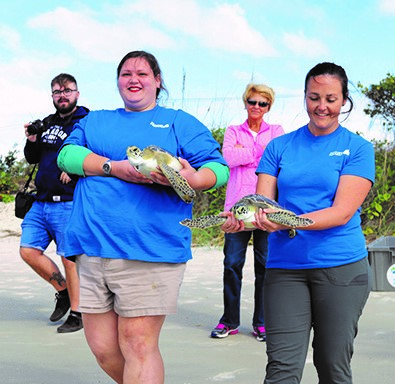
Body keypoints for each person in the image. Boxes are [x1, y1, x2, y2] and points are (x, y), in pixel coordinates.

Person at [57, 50, 229, 384]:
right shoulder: (95, 120)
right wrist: (115, 167)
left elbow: (217, 169)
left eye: (142, 73)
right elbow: (67, 156)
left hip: (150, 250)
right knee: (103, 348)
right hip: (92, 248)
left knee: (137, 343)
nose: (133, 80)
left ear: (157, 81)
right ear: (118, 80)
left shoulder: (178, 122)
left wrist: (192, 179)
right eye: (126, 74)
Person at [221, 62, 375, 383]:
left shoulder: (358, 149)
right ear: (304, 97)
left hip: (341, 268)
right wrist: (245, 219)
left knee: (332, 366)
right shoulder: (279, 146)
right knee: (281, 370)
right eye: (314, 97)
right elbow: (263, 204)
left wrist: (286, 220)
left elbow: (341, 212)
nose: (322, 106)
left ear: (344, 100)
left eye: (331, 99)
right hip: (285, 269)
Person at [210, 84, 284, 342]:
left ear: (269, 107)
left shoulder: (277, 131)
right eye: (252, 102)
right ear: (245, 103)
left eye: (262, 103)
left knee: (265, 266)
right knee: (232, 264)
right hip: (237, 210)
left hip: (265, 209)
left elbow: (277, 161)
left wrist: (247, 153)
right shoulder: (233, 131)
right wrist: (258, 153)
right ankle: (229, 320)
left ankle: (262, 322)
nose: (256, 107)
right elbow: (228, 157)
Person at [20, 73, 89, 333]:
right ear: (52, 96)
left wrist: (75, 168)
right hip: (42, 200)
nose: (62, 95)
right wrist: (32, 139)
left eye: (67, 90)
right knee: (28, 250)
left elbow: (94, 152)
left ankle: (78, 313)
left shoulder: (86, 121)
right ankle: (64, 292)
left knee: (69, 258)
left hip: (68, 200)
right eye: (57, 92)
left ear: (77, 93)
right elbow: (31, 158)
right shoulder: (47, 123)